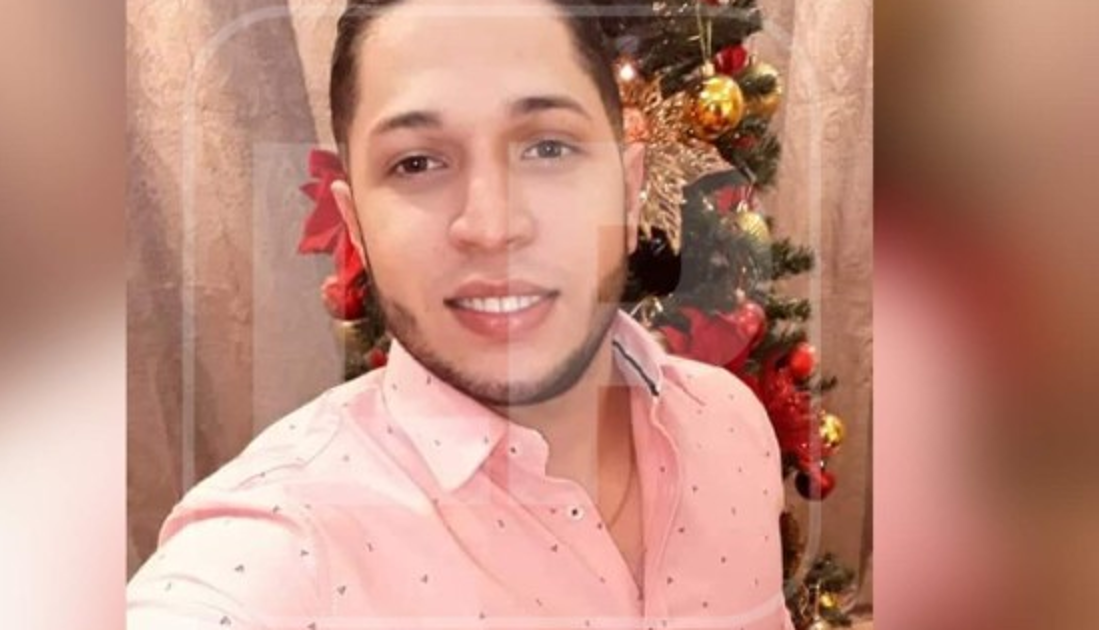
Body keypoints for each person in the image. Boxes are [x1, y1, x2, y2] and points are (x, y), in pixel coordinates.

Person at [128, 0, 793, 628]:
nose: (492, 226)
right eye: (417, 163)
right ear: (356, 225)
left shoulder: (730, 424)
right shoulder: (281, 544)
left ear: (628, 189)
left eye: (548, 148)